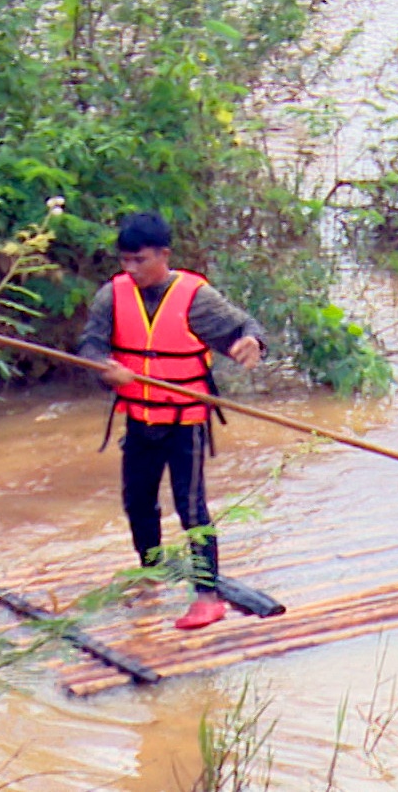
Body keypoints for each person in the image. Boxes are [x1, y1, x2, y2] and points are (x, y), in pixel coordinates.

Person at [78, 211, 266, 631]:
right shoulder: (112, 296)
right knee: (137, 502)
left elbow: (242, 327)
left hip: (185, 422)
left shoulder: (196, 297)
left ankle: (207, 596)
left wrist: (251, 342)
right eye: (125, 260)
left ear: (164, 255)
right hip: (139, 419)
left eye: (140, 260)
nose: (131, 269)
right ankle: (150, 572)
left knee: (191, 506)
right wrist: (104, 367)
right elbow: (90, 345)